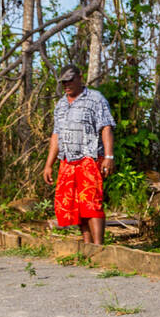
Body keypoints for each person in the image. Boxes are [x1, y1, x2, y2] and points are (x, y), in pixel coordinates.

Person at [43, 65, 117, 244]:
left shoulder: (95, 99)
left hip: (89, 157)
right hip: (68, 160)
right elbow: (56, 135)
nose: (67, 84)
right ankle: (87, 245)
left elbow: (106, 127)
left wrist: (109, 157)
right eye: (64, 82)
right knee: (76, 205)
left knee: (91, 202)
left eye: (70, 80)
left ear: (80, 77)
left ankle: (99, 247)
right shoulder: (61, 104)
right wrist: (48, 164)